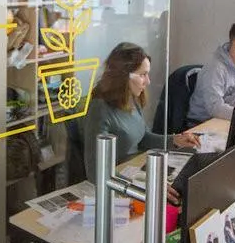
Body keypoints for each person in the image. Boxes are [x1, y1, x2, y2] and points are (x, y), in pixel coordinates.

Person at [83, 42, 200, 184]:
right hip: (116, 182)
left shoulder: (131, 98)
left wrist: (175, 140)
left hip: (134, 170)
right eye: (142, 75)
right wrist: (142, 186)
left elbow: (143, 138)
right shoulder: (99, 109)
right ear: (123, 76)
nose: (148, 81)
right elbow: (95, 171)